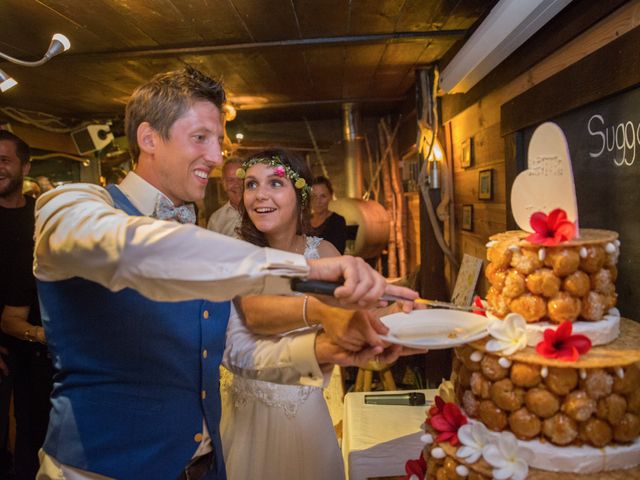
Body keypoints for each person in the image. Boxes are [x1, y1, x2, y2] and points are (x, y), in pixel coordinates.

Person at [33, 66, 418, 480]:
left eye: (217, 141)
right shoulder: (70, 206)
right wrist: (306, 269)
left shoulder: (195, 237)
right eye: (200, 138)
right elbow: (132, 249)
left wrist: (332, 347)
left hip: (208, 467)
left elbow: (236, 351)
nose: (217, 158)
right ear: (149, 139)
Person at [0, 130, 54, 480]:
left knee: (33, 435)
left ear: (25, 167)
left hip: (35, 346)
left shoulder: (39, 216)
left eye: (5, 160)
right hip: (7, 339)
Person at [207, 157, 243, 237]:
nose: (237, 185)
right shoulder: (216, 220)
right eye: (231, 180)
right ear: (223, 184)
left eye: (241, 179)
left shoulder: (263, 213)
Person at [310, 176, 347, 254]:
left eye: (323, 196)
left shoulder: (337, 222)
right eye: (314, 196)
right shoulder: (304, 221)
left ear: (330, 196)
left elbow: (337, 253)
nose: (318, 201)